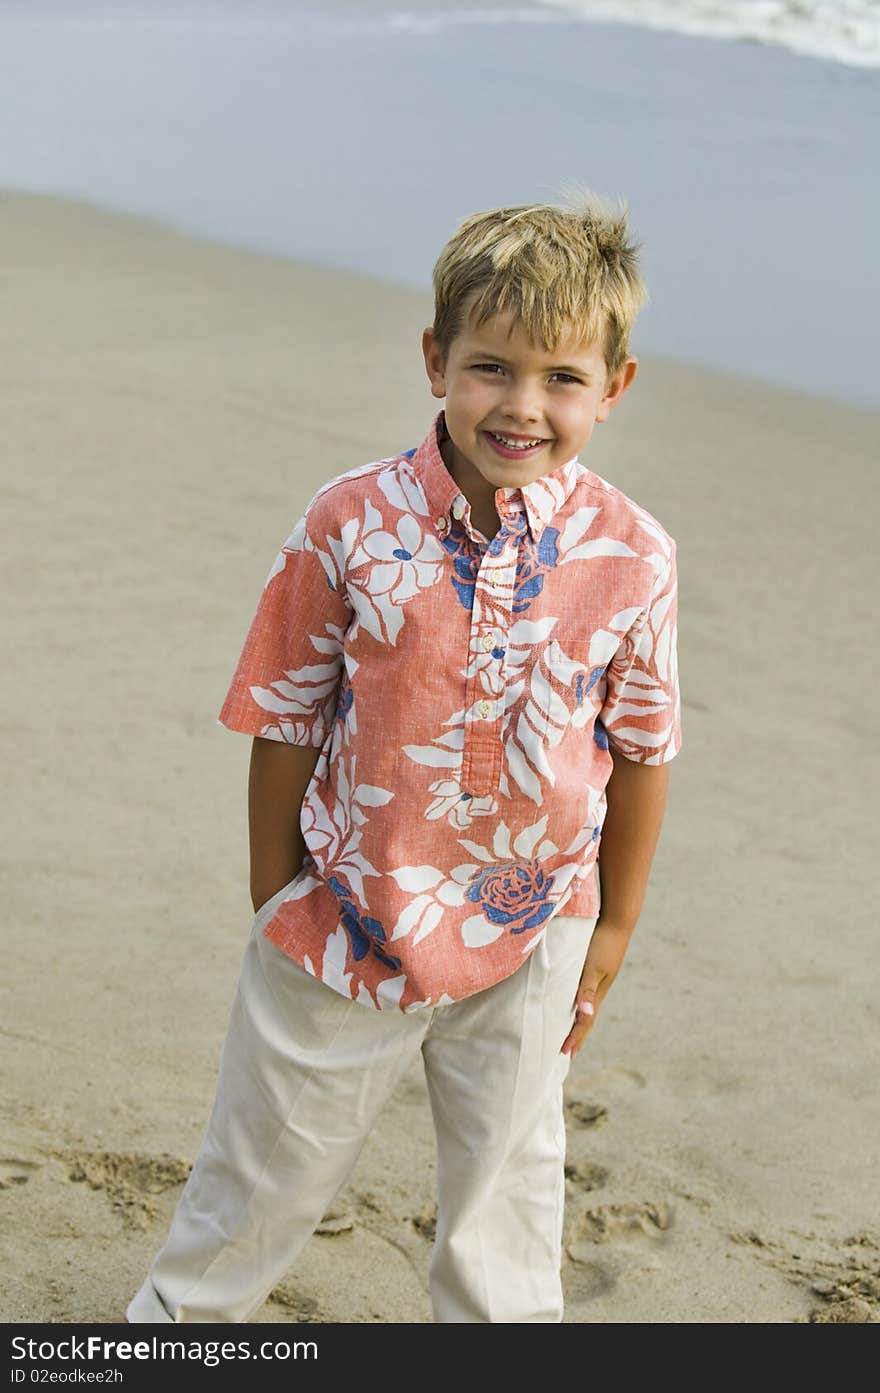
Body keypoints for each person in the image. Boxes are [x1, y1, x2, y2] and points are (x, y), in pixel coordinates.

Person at [125, 195, 682, 1325]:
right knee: (260, 1179)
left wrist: (612, 922)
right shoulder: (348, 522)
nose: (522, 406)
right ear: (435, 361)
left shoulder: (633, 555)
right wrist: (276, 888)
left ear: (612, 389)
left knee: (506, 1203)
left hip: (536, 925)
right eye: (490, 368)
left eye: (562, 379)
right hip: (346, 911)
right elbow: (285, 715)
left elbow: (641, 748)